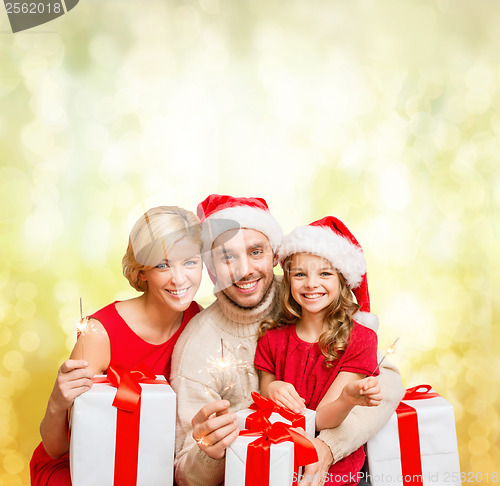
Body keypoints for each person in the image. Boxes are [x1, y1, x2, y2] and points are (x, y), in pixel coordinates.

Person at [170, 194, 405, 486]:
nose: (244, 271)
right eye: (228, 257)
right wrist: (211, 452)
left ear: (274, 255)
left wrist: (328, 447)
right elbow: (186, 475)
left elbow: (388, 381)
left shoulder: (308, 296)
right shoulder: (198, 347)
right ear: (211, 267)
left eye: (256, 252)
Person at [30, 206, 203, 486]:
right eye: (163, 264)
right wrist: (56, 403)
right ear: (142, 272)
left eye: (190, 262)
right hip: (85, 464)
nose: (179, 278)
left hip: (151, 463)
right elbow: (56, 449)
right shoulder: (99, 333)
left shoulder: (200, 322)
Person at [256, 216, 383, 486]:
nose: (311, 284)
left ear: (342, 281)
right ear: (288, 280)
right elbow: (263, 397)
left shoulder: (361, 340)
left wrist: (347, 400)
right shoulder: (272, 339)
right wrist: (273, 388)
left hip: (336, 474)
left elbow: (323, 420)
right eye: (300, 274)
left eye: (325, 274)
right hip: (278, 466)